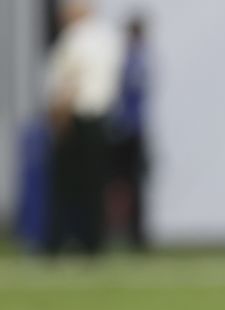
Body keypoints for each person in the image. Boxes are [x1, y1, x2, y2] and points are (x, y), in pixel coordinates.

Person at [43, 0, 124, 256]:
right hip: (101, 118)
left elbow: (69, 82)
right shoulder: (108, 37)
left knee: (65, 184)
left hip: (76, 117)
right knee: (95, 184)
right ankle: (93, 242)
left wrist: (58, 118)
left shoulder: (75, 38)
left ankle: (58, 241)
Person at [107, 13, 150, 251]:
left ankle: (135, 234)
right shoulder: (137, 58)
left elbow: (128, 97)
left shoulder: (134, 60)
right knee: (128, 183)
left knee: (130, 182)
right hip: (131, 129)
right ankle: (130, 233)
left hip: (129, 130)